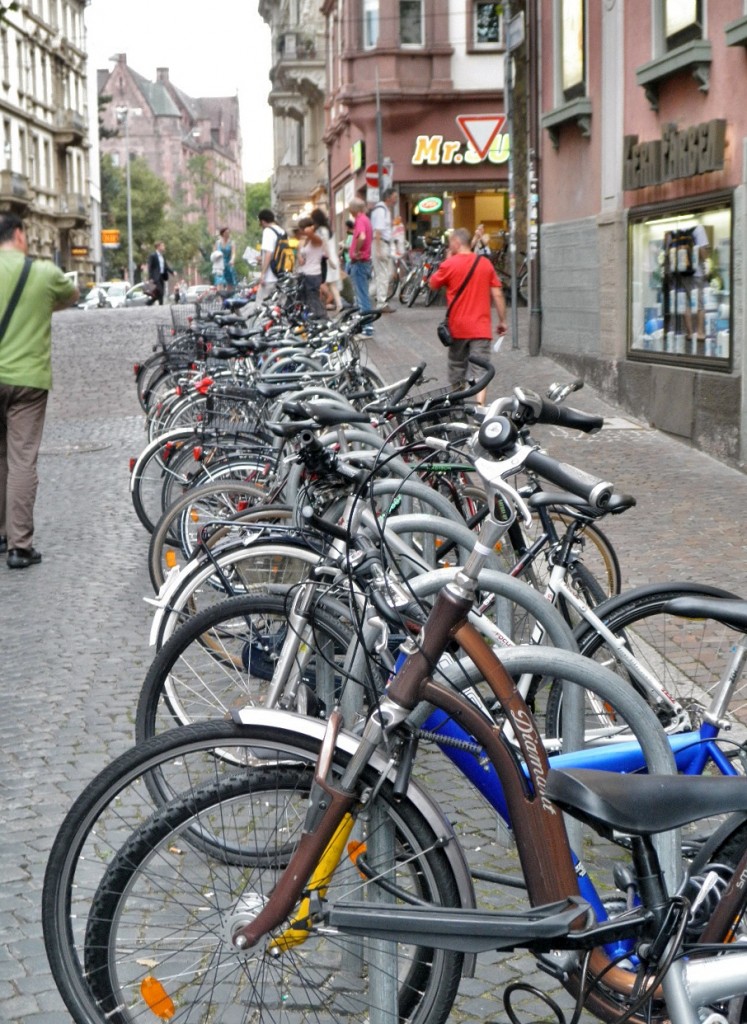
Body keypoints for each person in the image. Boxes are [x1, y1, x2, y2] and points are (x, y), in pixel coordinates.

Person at [0, 213, 79, 568]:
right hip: (28, 381)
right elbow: (71, 295)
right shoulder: (43, 273)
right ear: (18, 234)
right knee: (21, 460)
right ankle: (19, 546)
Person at [428, 227, 507, 406]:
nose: (449, 246)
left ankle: (457, 409)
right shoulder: (485, 264)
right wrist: (502, 320)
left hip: (457, 329)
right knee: (480, 372)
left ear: (456, 242)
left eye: (450, 243)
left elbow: (432, 284)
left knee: (457, 369)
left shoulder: (449, 264)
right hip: (481, 328)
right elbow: (497, 294)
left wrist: (447, 261)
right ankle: (480, 409)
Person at [347, 198, 374, 336]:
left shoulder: (360, 220)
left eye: (350, 208)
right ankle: (363, 325)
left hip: (360, 262)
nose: (349, 211)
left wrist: (356, 251)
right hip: (363, 262)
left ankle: (367, 327)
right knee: (362, 294)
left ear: (354, 209)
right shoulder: (366, 220)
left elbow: (362, 236)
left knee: (362, 296)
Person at [370, 187, 397, 311]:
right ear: (388, 197)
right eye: (394, 197)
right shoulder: (381, 210)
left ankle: (368, 297)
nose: (396, 199)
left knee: (383, 274)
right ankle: (381, 303)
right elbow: (378, 231)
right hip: (380, 243)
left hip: (382, 243)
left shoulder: (383, 210)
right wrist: (379, 249)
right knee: (383, 275)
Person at [310, 207, 342, 313]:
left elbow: (324, 245)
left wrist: (328, 258)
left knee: (321, 282)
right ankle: (338, 304)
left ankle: (320, 305)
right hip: (332, 258)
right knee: (331, 284)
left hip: (326, 259)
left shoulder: (320, 230)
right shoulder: (328, 229)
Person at [296, 217, 328, 319]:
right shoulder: (305, 241)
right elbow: (300, 252)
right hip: (304, 273)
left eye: (301, 229)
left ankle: (323, 319)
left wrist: (311, 227)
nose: (300, 231)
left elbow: (310, 233)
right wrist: (300, 257)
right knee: (305, 301)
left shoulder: (316, 239)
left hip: (313, 274)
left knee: (313, 300)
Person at [257, 208, 285, 301]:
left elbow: (269, 253)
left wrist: (262, 274)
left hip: (270, 276)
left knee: (261, 307)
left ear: (263, 221)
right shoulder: (281, 231)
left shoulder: (268, 231)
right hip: (281, 273)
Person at [146, 241, 173, 306]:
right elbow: (150, 267)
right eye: (162, 246)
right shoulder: (153, 256)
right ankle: (151, 302)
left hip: (162, 276)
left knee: (161, 293)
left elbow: (165, 266)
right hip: (155, 277)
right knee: (160, 291)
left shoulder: (162, 256)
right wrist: (150, 278)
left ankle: (155, 304)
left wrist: (172, 272)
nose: (164, 247)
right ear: (158, 247)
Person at [211, 226, 237, 291]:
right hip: (219, 266)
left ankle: (228, 297)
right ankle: (221, 297)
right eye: (226, 233)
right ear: (223, 233)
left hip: (228, 264)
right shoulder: (217, 243)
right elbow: (214, 253)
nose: (228, 234)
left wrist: (232, 260)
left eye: (229, 232)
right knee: (219, 281)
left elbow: (233, 253)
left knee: (229, 282)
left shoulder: (231, 243)